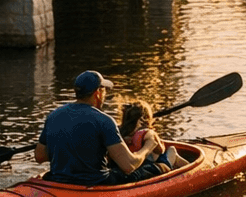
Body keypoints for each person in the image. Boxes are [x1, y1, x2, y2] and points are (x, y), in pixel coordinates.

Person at [33, 71, 168, 186]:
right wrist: (148, 146)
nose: (105, 95)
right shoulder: (104, 121)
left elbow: (40, 156)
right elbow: (129, 166)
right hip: (97, 183)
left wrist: (71, 151)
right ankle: (166, 165)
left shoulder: (53, 116)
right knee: (157, 168)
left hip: (58, 181)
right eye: (104, 90)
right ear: (98, 93)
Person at [118, 101, 189, 173]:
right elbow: (161, 150)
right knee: (172, 149)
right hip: (152, 166)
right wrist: (158, 141)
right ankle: (191, 170)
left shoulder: (119, 133)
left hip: (134, 165)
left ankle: (187, 168)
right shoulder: (147, 133)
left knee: (174, 156)